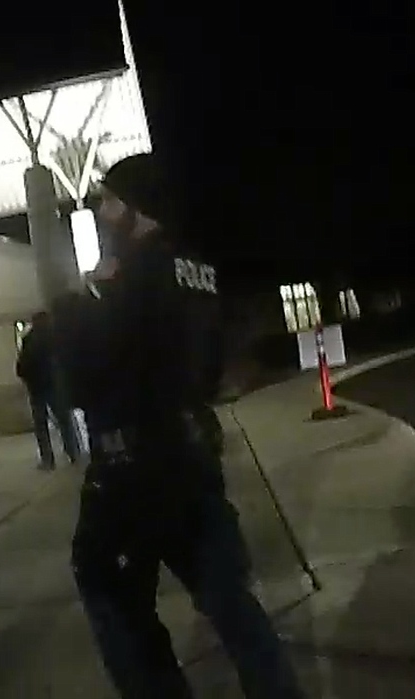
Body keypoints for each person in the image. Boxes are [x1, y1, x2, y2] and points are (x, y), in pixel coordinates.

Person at [51, 155, 303, 698]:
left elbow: (80, 382)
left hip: (133, 472)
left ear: (136, 208)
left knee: (108, 589)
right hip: (193, 457)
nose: (100, 210)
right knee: (232, 604)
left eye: (109, 199)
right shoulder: (199, 270)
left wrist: (75, 307)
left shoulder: (126, 278)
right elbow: (211, 365)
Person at [16, 312, 80, 467]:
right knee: (64, 421)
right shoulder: (56, 337)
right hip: (54, 385)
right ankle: (73, 453)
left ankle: (47, 459)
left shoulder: (29, 339)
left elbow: (22, 365)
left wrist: (28, 378)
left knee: (41, 425)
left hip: (36, 388)